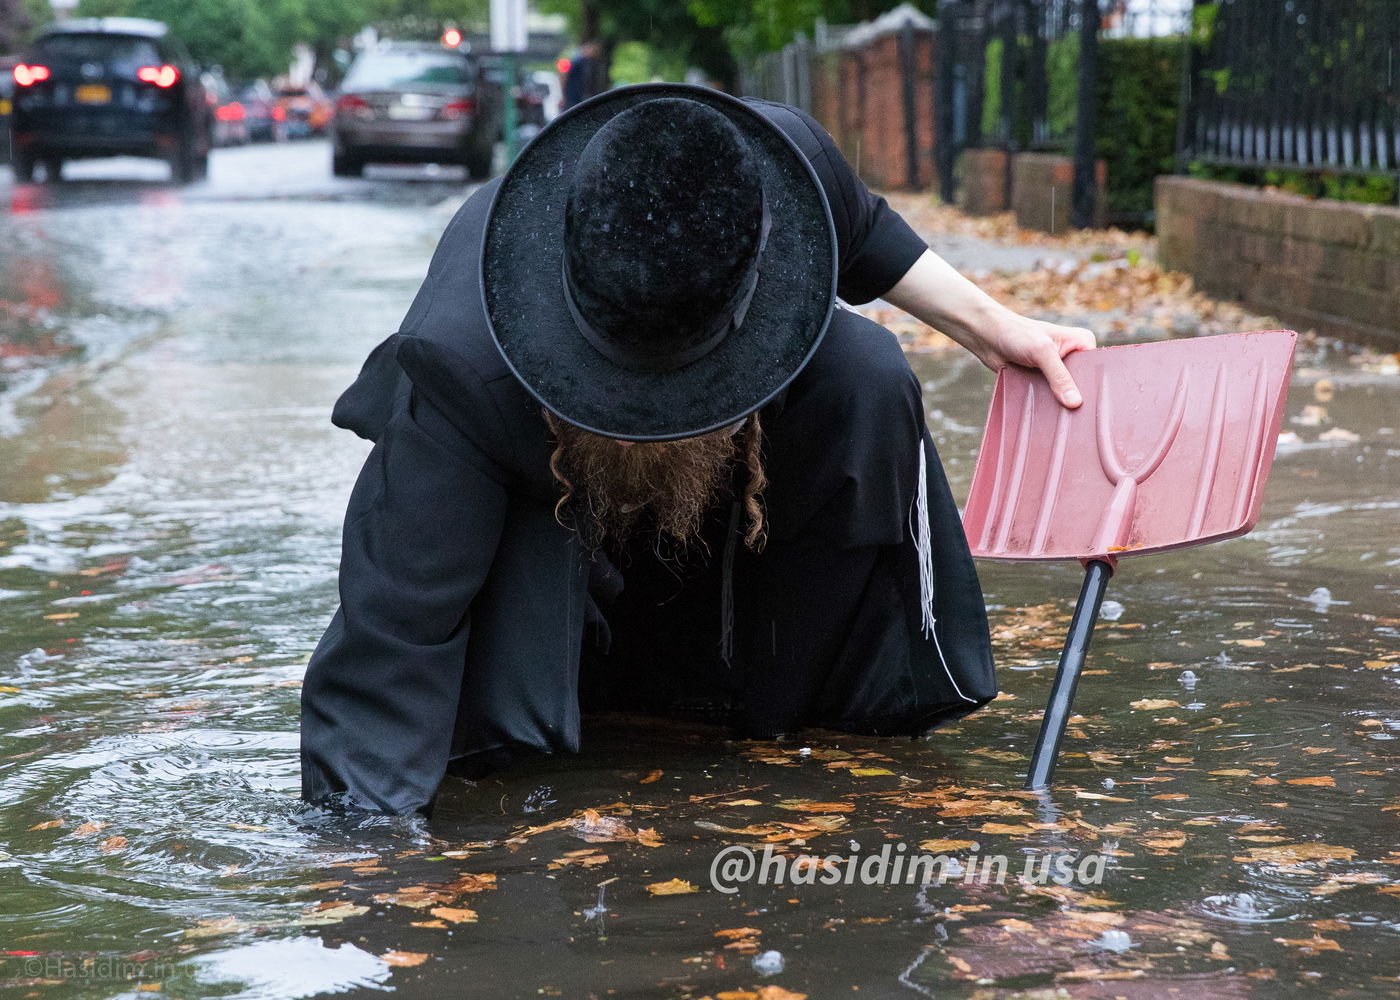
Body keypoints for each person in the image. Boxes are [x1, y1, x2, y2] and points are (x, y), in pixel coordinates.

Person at [299, 84, 1094, 817]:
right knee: (481, 679)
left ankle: (800, 709)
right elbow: (394, 632)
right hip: (558, 534)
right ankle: (572, 712)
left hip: (742, 541)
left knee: (869, 373)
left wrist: (998, 331)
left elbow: (870, 235)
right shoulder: (463, 361)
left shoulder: (783, 167)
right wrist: (368, 860)